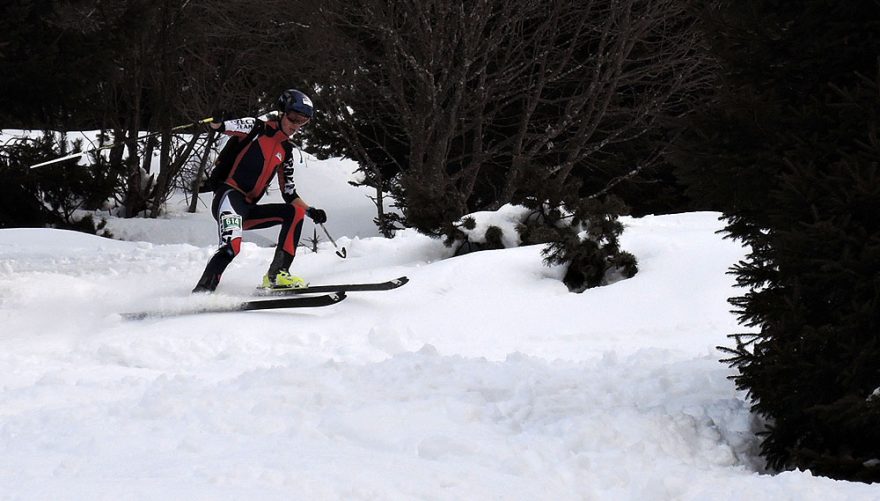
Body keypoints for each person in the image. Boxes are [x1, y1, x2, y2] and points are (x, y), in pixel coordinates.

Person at [192, 89, 327, 293]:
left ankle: (277, 275)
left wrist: (310, 211)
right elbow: (221, 126)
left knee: (294, 212)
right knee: (232, 247)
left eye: (303, 121)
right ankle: (202, 291)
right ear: (282, 113)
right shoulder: (255, 128)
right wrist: (217, 120)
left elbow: (289, 193)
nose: (296, 125)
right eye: (293, 118)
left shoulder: (286, 151)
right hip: (229, 198)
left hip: (248, 208)